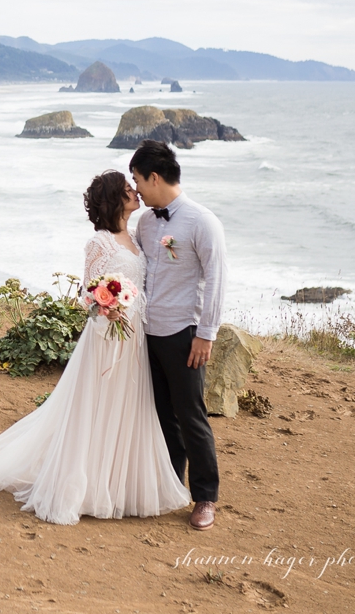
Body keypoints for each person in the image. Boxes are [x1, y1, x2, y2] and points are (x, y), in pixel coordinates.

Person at [0, 170, 192, 525]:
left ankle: (119, 488)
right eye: (128, 190)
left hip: (135, 338)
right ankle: (85, 488)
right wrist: (109, 308)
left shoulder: (136, 236)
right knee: (98, 407)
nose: (135, 192)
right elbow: (87, 295)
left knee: (129, 407)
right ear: (115, 199)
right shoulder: (99, 243)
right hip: (107, 339)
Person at [129, 139, 226, 531]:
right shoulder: (145, 222)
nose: (135, 189)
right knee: (162, 416)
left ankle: (205, 497)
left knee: (191, 416)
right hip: (147, 332)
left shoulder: (202, 221)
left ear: (154, 177)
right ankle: (171, 487)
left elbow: (217, 279)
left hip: (184, 333)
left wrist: (207, 334)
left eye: (138, 180)